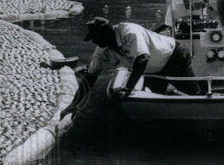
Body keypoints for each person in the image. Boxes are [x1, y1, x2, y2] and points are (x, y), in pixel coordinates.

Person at [60, 18, 202, 118]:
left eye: (96, 37)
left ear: (107, 33)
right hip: (152, 69)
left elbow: (142, 58)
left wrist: (128, 88)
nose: (95, 41)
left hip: (174, 56)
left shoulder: (129, 32)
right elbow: (90, 77)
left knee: (195, 96)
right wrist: (73, 105)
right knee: (156, 105)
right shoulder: (102, 50)